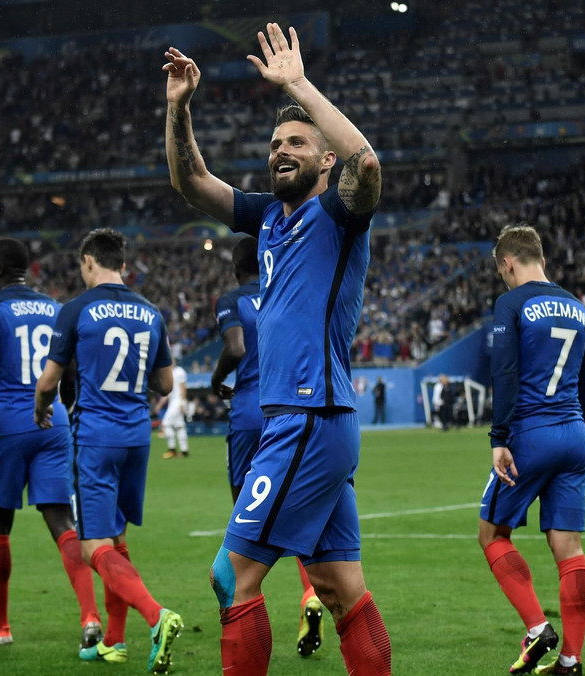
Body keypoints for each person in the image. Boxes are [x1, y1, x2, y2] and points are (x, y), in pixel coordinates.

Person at [164, 23, 391, 675]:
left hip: (306, 419)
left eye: (296, 142)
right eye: (274, 143)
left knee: (231, 578)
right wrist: (179, 108)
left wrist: (297, 86)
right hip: (306, 422)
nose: (280, 151)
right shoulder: (268, 216)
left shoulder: (341, 215)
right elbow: (192, 183)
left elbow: (368, 163)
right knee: (337, 585)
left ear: (325, 160)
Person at [0, 237, 101, 649]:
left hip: (9, 422)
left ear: (1, 269)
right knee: (62, 522)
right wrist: (62, 412)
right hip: (53, 422)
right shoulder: (56, 308)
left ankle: (1, 627)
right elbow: (72, 371)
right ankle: (90, 617)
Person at [33, 228, 183, 673]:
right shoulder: (150, 311)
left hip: (96, 436)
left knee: (91, 546)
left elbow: (47, 381)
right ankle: (113, 641)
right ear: (123, 263)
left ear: (88, 261)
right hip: (138, 435)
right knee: (116, 538)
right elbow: (166, 384)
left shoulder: (76, 309)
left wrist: (42, 409)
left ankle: (157, 617)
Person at [479, 225, 585, 675]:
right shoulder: (579, 309)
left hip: (531, 433)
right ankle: (571, 660)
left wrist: (499, 439)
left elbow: (505, 373)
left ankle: (536, 629)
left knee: (491, 535)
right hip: (574, 434)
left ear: (509, 262)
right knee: (569, 549)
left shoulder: (512, 304)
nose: (503, 279)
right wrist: (575, 432)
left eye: (501, 271)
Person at [210, 235, 324, 659]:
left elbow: (235, 347)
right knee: (294, 508)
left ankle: (244, 607)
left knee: (246, 515)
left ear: (235, 267)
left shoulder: (233, 299)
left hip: (247, 411)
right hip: (288, 409)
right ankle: (310, 592)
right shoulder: (285, 289)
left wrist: (214, 379)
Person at [159, 362, 190, 459]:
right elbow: (168, 392)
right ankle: (184, 451)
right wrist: (160, 404)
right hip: (173, 402)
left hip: (178, 402)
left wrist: (182, 403)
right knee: (179, 426)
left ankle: (172, 449)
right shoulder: (170, 373)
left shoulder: (179, 371)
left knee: (166, 423)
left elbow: (183, 388)